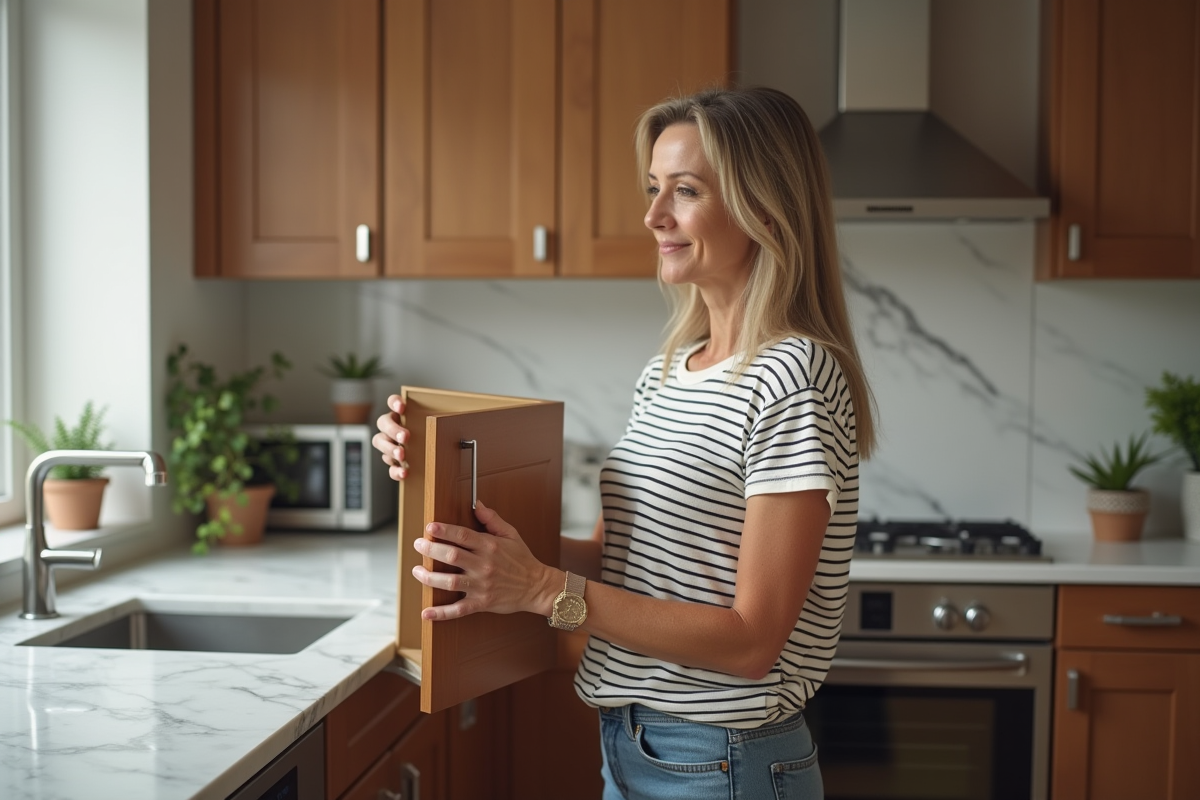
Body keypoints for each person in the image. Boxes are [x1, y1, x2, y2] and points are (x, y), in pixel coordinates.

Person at [373, 86, 875, 800]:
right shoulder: (668, 373)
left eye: (686, 191)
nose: (653, 216)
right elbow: (617, 563)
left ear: (766, 207)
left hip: (723, 760)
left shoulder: (793, 376)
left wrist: (545, 590)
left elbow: (752, 639)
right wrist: (438, 483)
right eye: (652, 189)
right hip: (631, 746)